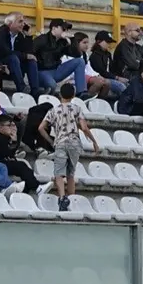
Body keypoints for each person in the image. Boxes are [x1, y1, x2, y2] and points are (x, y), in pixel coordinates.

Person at [42, 80, 97, 210]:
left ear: (60, 95)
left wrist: (51, 141)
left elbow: (41, 127)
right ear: (73, 96)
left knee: (59, 173)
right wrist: (94, 141)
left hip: (60, 142)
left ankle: (62, 197)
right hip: (74, 142)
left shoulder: (53, 110)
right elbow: (84, 127)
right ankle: (71, 199)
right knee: (70, 174)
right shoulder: (77, 109)